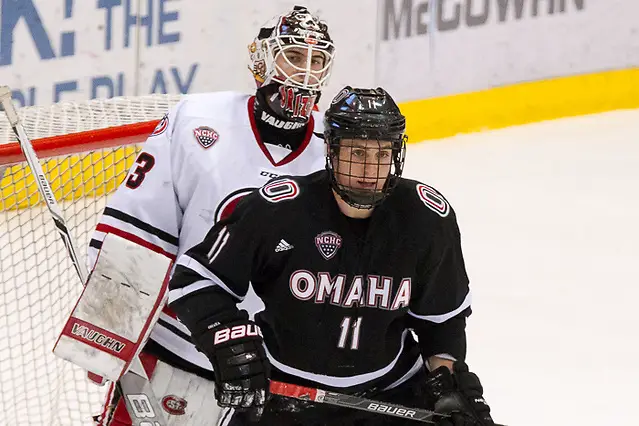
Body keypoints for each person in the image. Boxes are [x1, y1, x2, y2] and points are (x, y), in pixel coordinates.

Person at [168, 86, 495, 426]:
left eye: (382, 155)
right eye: (357, 154)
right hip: (283, 394)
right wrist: (229, 341)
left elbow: (441, 322)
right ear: (331, 151)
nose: (370, 171)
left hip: (392, 392)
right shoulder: (278, 210)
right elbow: (196, 280)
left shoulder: (426, 219)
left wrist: (447, 382)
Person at [89, 5, 336, 425]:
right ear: (261, 59)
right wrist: (109, 332)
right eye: (293, 57)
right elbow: (136, 231)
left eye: (317, 62)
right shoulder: (198, 119)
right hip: (172, 345)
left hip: (267, 371)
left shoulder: (332, 152)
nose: (305, 73)